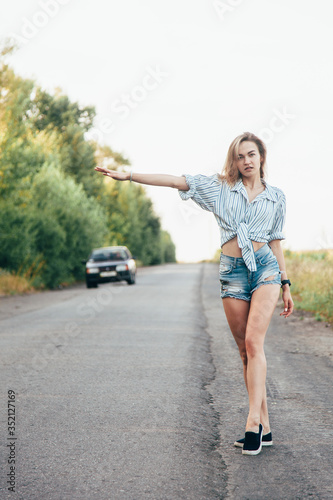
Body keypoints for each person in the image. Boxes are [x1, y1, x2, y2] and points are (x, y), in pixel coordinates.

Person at [94, 131, 294, 456]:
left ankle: (252, 421)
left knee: (255, 343)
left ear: (262, 157)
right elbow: (175, 181)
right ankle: (266, 427)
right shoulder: (218, 188)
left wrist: (286, 284)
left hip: (266, 269)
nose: (246, 161)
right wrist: (128, 175)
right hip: (232, 270)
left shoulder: (276, 197)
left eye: (252, 155)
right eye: (240, 156)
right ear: (234, 159)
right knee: (245, 351)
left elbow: (275, 242)